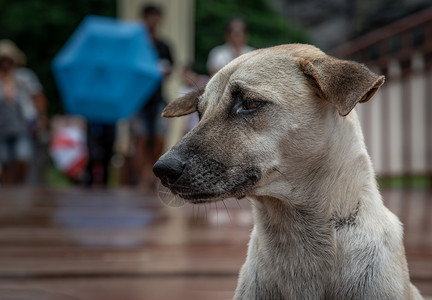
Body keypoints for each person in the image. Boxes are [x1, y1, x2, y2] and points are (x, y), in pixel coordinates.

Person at [135, 4, 174, 192]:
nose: (153, 21)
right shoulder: (136, 45)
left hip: (158, 99)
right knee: (141, 139)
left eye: (156, 17)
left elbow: (170, 70)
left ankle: (154, 175)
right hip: (139, 100)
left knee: (159, 137)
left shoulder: (164, 46)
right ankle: (142, 177)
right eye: (150, 16)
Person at [0, 40, 47, 185]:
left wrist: (41, 117)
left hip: (22, 124)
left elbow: (37, 97)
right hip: (2, 126)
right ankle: (7, 190)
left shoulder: (24, 77)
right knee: (5, 160)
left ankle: (18, 184)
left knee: (23, 157)